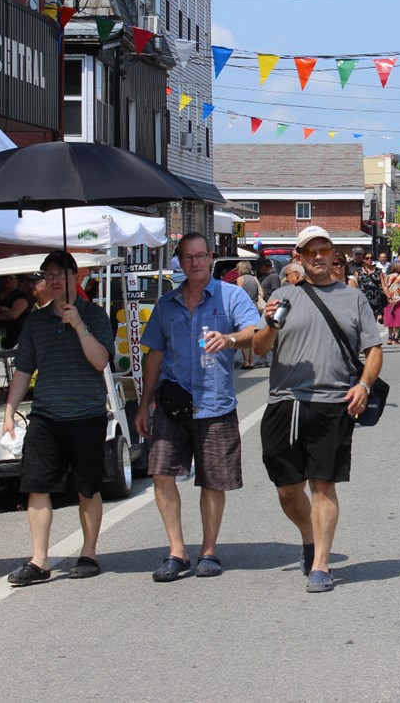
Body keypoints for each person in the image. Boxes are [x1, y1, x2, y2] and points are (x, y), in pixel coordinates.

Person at [252, 226, 383, 593]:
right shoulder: (282, 295)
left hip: (333, 403)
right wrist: (270, 323)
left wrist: (363, 385)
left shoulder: (353, 298)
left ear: (333, 254)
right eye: (311, 252)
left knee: (323, 486)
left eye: (325, 250)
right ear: (300, 257)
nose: (319, 257)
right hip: (285, 403)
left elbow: (373, 349)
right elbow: (260, 349)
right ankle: (309, 536)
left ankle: (322, 565)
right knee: (287, 489)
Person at [135, 233, 260, 582]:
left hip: (214, 401)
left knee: (212, 481)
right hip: (172, 403)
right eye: (188, 257)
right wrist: (144, 404)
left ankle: (208, 550)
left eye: (201, 256)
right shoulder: (166, 304)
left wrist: (231, 339)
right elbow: (154, 356)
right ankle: (177, 550)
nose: (195, 262)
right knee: (161, 474)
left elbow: (256, 330)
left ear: (211, 258)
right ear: (179, 260)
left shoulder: (230, 295)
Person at [0, 251, 117, 586]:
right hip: (46, 415)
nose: (52, 281)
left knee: (87, 486)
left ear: (75, 277)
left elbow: (100, 362)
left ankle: (89, 552)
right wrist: (9, 411)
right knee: (36, 486)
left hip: (86, 414)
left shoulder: (94, 316)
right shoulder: (36, 322)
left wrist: (78, 325)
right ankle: (39, 560)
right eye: (47, 275)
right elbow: (24, 370)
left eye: (60, 274)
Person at [236, 267, 264, 370]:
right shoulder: (255, 279)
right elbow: (261, 293)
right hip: (254, 306)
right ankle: (252, 362)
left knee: (243, 334)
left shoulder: (240, 279)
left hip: (243, 307)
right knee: (252, 334)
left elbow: (238, 294)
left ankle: (246, 362)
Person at [382, 257, 400, 345]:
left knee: (390, 319)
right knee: (398, 320)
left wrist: (389, 297)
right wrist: (399, 299)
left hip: (389, 300)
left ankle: (389, 337)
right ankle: (396, 338)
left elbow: (384, 287)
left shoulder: (388, 277)